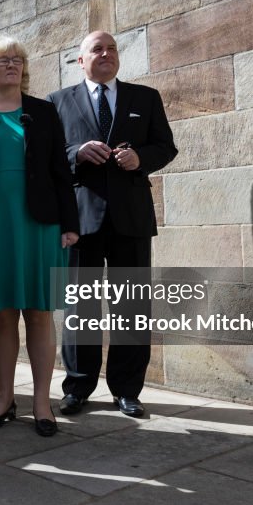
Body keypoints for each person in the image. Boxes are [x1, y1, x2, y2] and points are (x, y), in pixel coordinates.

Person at [0, 37, 79, 437]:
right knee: (2, 313)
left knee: (39, 312)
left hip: (39, 223)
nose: (11, 65)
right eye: (1, 59)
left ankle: (42, 402)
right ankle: (3, 398)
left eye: (16, 59)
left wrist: (70, 223)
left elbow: (61, 169)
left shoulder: (44, 112)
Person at [47, 30, 177, 418]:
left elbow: (165, 146)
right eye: (97, 49)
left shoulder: (145, 98)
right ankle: (78, 387)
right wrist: (76, 153)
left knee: (132, 306)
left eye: (112, 49)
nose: (106, 54)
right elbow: (48, 157)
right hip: (79, 219)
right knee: (79, 307)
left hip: (131, 218)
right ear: (80, 60)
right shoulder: (57, 102)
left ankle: (127, 390)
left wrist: (141, 158)